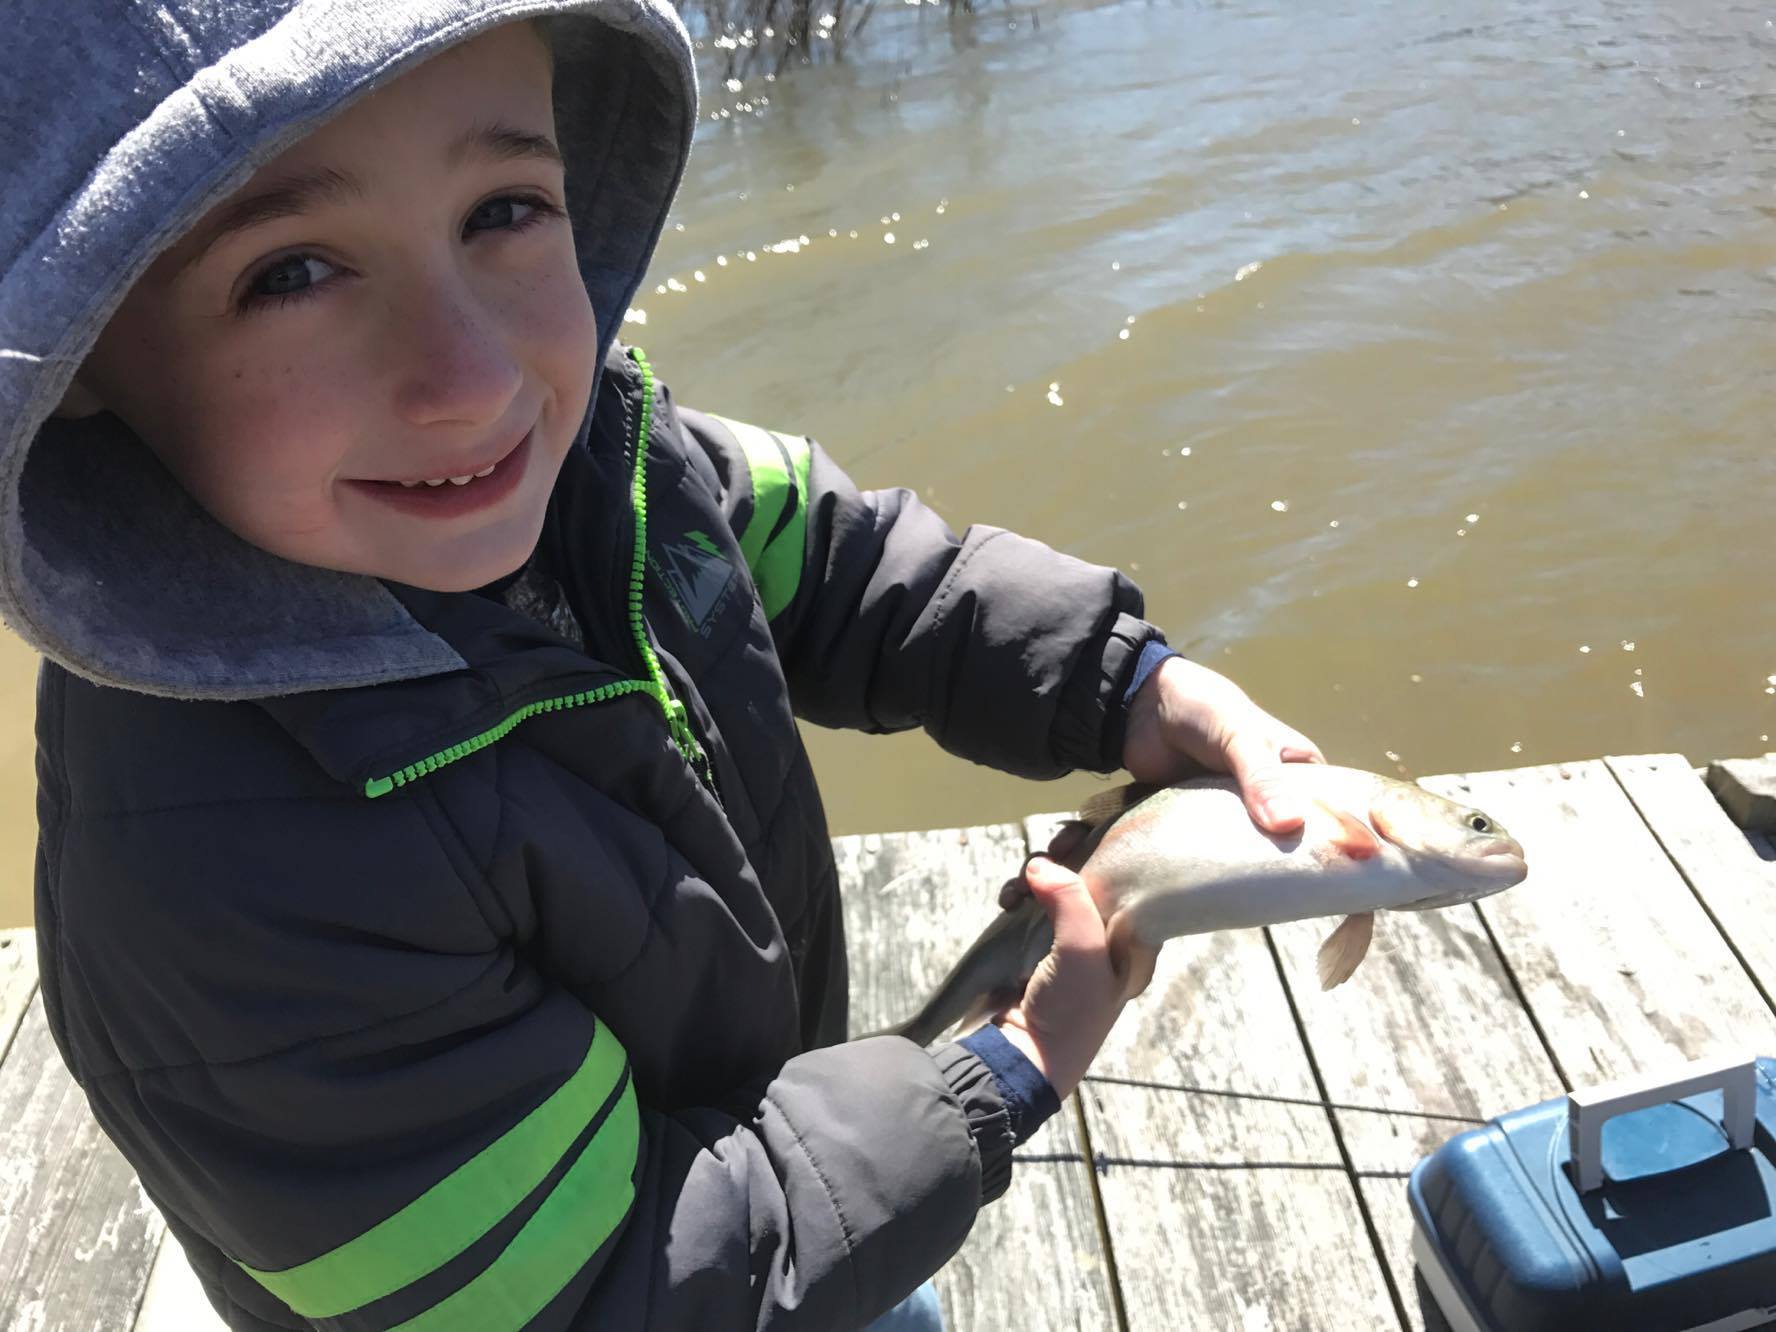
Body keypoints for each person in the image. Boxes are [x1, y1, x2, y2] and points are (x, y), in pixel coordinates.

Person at [0, 5, 1321, 1330]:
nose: (470, 379)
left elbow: (853, 570)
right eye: (290, 273)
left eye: (503, 209)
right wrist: (1004, 1067)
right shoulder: (227, 877)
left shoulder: (602, 461)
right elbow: (600, 1295)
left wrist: (1121, 679)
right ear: (90, 361)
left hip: (784, 1178)